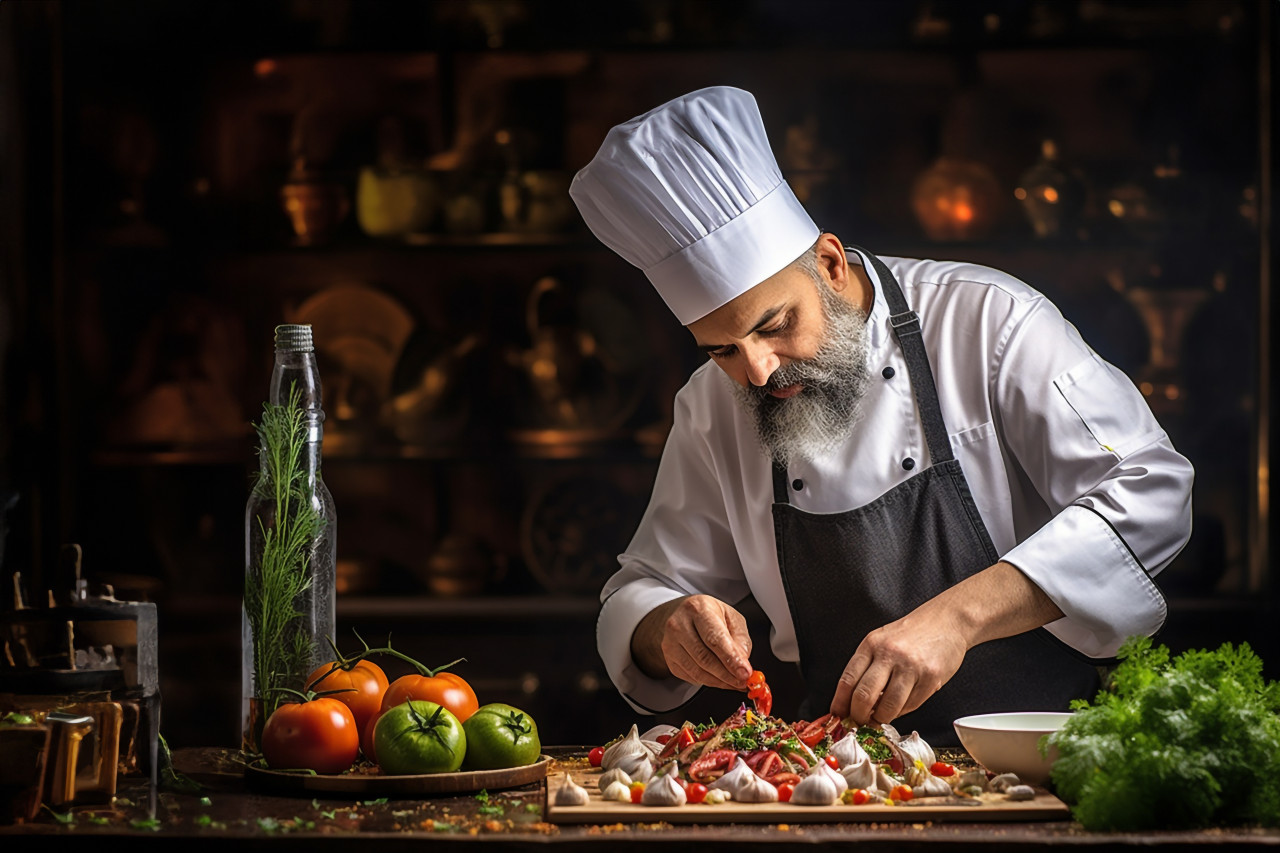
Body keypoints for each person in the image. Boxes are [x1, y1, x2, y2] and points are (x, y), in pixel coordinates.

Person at [568, 86, 1194, 744]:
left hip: (1043, 758)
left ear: (831, 264)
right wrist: (665, 627)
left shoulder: (990, 323)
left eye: (776, 326)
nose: (757, 371)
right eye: (722, 348)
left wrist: (958, 616)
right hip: (842, 784)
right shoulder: (710, 405)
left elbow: (1152, 490)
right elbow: (642, 588)